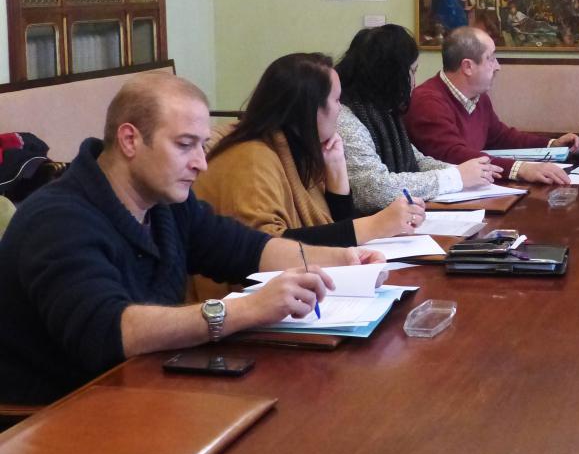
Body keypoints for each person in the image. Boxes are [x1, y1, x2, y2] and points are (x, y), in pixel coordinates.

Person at [0, 73, 383, 405]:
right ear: (130, 140)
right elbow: (109, 331)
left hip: (143, 391)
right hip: (56, 420)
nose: (200, 162)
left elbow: (248, 249)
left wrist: (344, 260)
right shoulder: (58, 220)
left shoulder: (165, 204)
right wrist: (248, 309)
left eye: (202, 145)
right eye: (185, 145)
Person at [194, 53, 425, 247]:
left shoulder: (298, 149)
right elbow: (265, 246)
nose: (340, 109)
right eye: (337, 100)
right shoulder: (252, 158)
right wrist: (376, 225)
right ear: (310, 108)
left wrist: (336, 170)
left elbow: (337, 231)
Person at [336, 24, 502, 214]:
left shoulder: (383, 112)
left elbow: (417, 161)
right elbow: (374, 190)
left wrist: (466, 172)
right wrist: (456, 177)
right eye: (412, 71)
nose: (414, 82)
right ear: (391, 75)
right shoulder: (346, 119)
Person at [405, 27, 579, 185]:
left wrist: (551, 144)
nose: (498, 66)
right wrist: (520, 169)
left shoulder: (479, 97)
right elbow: (454, 155)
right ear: (468, 66)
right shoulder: (427, 102)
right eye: (491, 58)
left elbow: (500, 137)